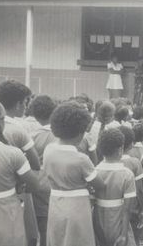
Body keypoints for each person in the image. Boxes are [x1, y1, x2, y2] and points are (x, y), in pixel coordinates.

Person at [43, 101, 105, 246]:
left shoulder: (49, 150)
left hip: (55, 204)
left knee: (58, 238)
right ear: (80, 133)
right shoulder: (81, 159)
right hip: (77, 208)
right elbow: (100, 185)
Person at [0, 80, 41, 246]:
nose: (26, 106)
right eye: (25, 102)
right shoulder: (19, 128)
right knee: (23, 233)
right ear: (18, 104)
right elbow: (35, 164)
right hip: (15, 190)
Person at [94, 128, 137, 246]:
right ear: (120, 150)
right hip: (118, 223)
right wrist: (123, 235)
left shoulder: (94, 172)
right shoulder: (127, 174)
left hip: (98, 221)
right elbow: (127, 210)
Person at [29, 95, 57, 246]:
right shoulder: (60, 134)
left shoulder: (32, 135)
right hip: (56, 178)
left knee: (41, 223)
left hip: (38, 179)